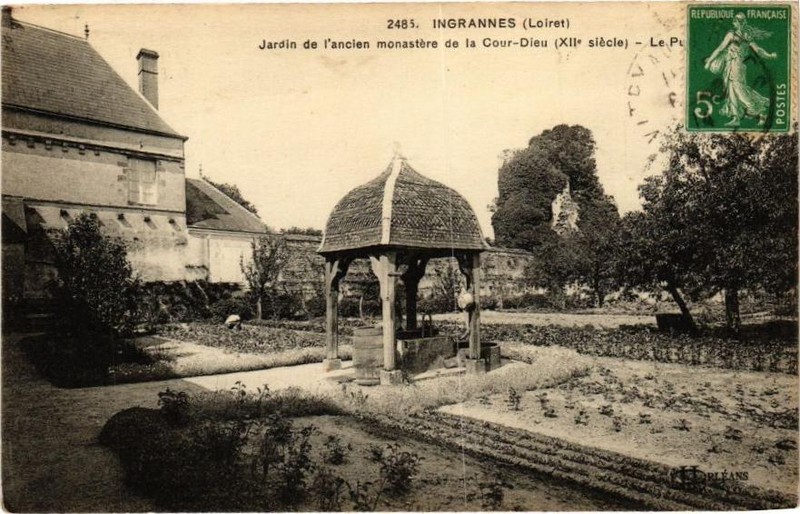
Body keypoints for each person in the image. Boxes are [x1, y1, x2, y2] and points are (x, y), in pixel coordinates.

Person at [704, 13, 777, 127]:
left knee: (739, 90)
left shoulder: (736, 35)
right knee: (731, 90)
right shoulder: (743, 35)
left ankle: (757, 110)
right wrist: (769, 56)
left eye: (735, 22)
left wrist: (709, 62)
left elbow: (720, 49)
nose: (733, 23)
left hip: (736, 66)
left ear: (738, 23)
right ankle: (736, 117)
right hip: (731, 65)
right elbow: (758, 50)